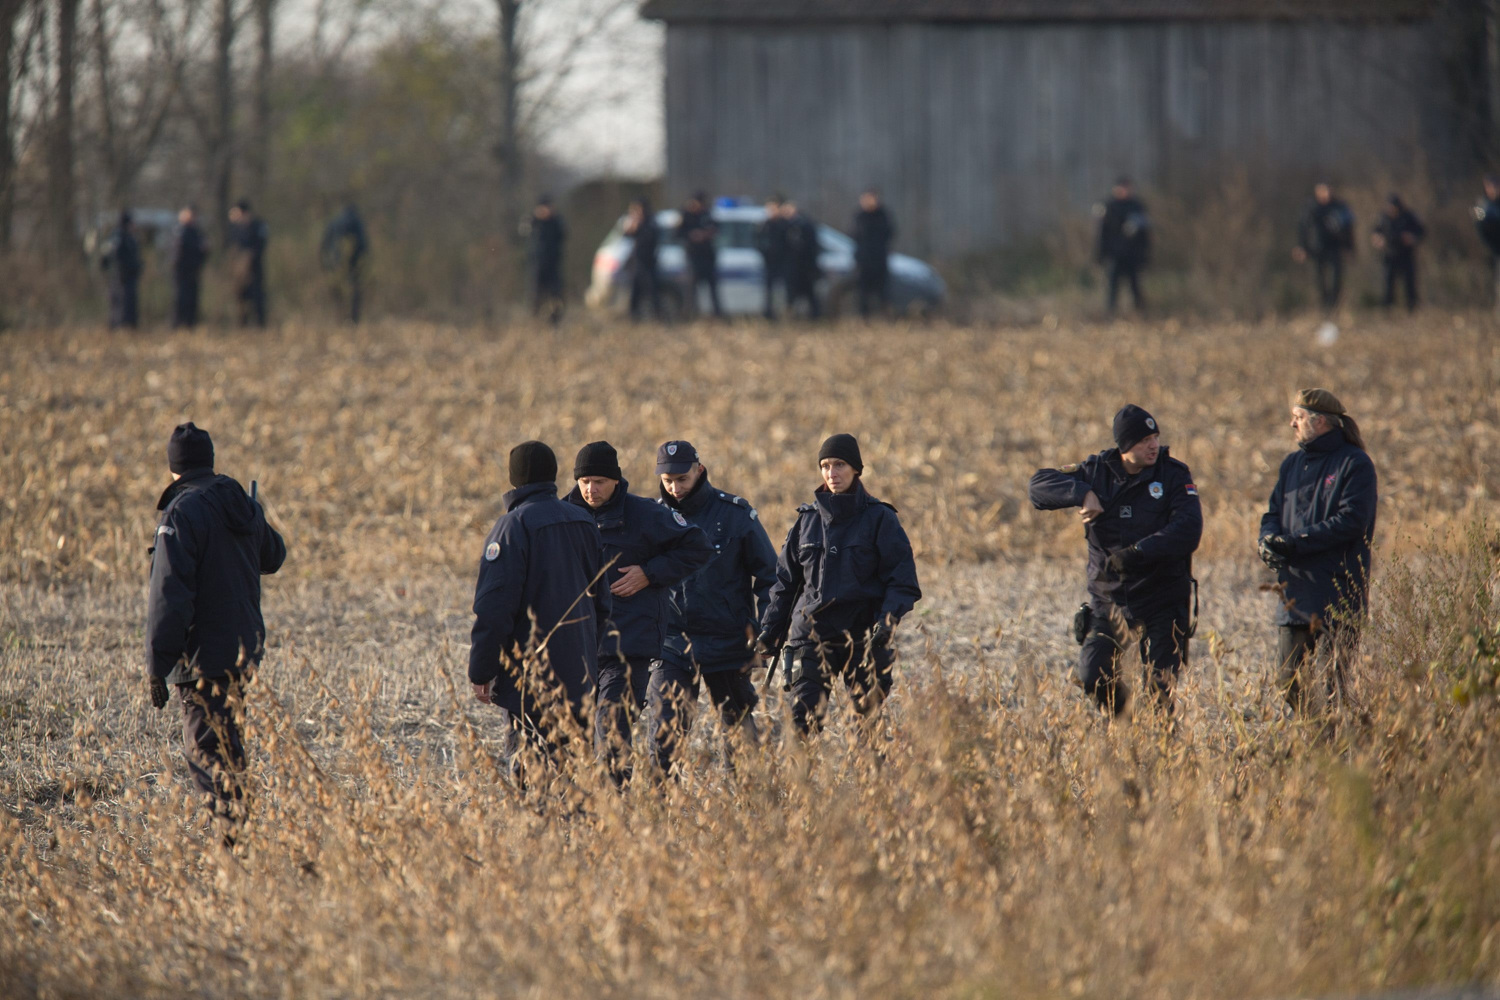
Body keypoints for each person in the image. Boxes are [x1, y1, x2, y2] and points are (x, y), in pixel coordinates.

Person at [146, 423, 286, 845]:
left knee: (210, 758)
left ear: (174, 468)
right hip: (243, 653)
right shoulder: (237, 501)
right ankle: (240, 845)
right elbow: (274, 556)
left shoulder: (181, 513)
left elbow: (169, 595)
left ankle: (233, 852)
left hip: (203, 659)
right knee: (229, 750)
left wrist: (157, 664)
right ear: (209, 460)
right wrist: (253, 518)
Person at [1028, 406, 1202, 716]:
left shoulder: (1173, 474)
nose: (1153, 445)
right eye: (1144, 440)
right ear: (1124, 446)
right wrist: (1081, 493)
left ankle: (1158, 736)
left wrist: (1138, 552)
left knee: (1160, 694)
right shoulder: (1097, 472)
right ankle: (1126, 723)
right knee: (1093, 676)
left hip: (1163, 601)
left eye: (1155, 437)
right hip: (1111, 601)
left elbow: (1188, 529)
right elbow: (1038, 486)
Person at [754, 434, 921, 737]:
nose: (832, 473)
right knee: (801, 723)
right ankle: (798, 771)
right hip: (811, 635)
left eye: (840, 464)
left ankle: (869, 770)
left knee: (867, 728)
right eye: (825, 466)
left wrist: (886, 622)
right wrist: (769, 630)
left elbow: (903, 580)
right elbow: (786, 583)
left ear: (856, 469)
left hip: (864, 636)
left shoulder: (880, 519)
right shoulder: (806, 521)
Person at [565, 441, 714, 780]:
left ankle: (616, 804)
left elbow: (698, 547)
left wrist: (649, 573)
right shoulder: (563, 516)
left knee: (611, 733)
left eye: (599, 482)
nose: (591, 489)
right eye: (584, 481)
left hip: (627, 645)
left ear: (616, 480)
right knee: (574, 740)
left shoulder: (645, 514)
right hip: (576, 647)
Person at [469, 441, 609, 778]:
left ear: (514, 478)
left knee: (531, 778)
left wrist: (481, 671)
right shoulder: (583, 521)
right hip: (580, 677)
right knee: (573, 777)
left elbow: (494, 609)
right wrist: (589, 658)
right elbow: (602, 601)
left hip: (529, 682)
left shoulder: (512, 526)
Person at [1258, 389, 1377, 714]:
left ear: (1320, 421)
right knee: (1287, 681)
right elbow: (1273, 513)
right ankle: (1317, 734)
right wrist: (1267, 540)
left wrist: (1297, 542)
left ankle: (1335, 738)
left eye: (1298, 417)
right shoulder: (1292, 464)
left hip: (1339, 593)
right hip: (1295, 594)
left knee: (1332, 686)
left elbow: (1352, 520)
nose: (1292, 424)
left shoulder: (1355, 463)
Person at [657, 440, 778, 758]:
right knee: (666, 733)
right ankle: (660, 791)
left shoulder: (735, 515)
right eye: (668, 481)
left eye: (682, 479)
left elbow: (770, 577)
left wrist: (767, 630)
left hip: (727, 641)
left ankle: (748, 790)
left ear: (699, 471)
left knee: (739, 735)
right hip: (672, 644)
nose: (675, 488)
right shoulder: (653, 518)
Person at [1293, 183, 1355, 312]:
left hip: (1336, 246)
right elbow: (1303, 228)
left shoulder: (1339, 206)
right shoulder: (1311, 207)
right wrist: (1301, 247)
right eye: (1323, 191)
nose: (1326, 194)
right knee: (1319, 279)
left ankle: (1334, 304)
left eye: (1328, 191)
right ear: (1317, 192)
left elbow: (1348, 228)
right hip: (1317, 247)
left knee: (1337, 278)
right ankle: (1324, 305)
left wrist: (1350, 247)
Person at [1095, 177, 1150, 315]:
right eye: (1121, 188)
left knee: (1135, 286)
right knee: (1112, 286)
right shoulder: (1109, 207)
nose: (1123, 191)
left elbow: (1145, 235)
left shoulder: (1137, 207)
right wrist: (1101, 254)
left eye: (1126, 188)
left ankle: (1140, 313)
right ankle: (1110, 313)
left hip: (1133, 254)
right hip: (1115, 253)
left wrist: (1144, 255)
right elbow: (1102, 234)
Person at [1370, 194, 1425, 312]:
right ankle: (1387, 309)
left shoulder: (1409, 216)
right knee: (1388, 283)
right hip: (1389, 254)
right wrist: (1378, 240)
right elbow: (1375, 232)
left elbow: (1421, 231)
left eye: (1394, 207)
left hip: (1406, 255)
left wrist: (1412, 238)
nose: (1392, 210)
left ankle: (1412, 308)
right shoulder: (1383, 218)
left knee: (1409, 284)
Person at [320, 202, 368, 325]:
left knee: (338, 292)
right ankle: (353, 320)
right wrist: (362, 262)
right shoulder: (357, 222)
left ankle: (339, 318)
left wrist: (325, 263)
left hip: (335, 263)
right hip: (353, 263)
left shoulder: (335, 221)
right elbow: (363, 244)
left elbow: (324, 244)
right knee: (354, 291)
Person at [677, 192, 723, 319]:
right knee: (691, 289)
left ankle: (717, 315)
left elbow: (716, 229)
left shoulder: (707, 215)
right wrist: (692, 235)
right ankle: (691, 314)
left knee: (713, 289)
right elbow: (677, 234)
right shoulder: (686, 216)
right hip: (693, 258)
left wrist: (705, 234)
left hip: (708, 258)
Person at [852, 189, 895, 318]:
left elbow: (889, 233)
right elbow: (854, 235)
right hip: (863, 260)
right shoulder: (859, 216)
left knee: (883, 291)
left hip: (879, 259)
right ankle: (864, 318)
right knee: (863, 292)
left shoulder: (883, 215)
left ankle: (885, 317)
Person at [525, 195, 567, 325]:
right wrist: (536, 218)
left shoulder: (556, 222)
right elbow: (524, 231)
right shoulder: (533, 222)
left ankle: (555, 320)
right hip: (537, 264)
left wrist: (552, 218)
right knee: (536, 294)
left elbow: (563, 234)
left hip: (554, 264)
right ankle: (535, 319)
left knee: (555, 294)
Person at [227, 200, 269, 327]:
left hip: (254, 268)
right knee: (241, 298)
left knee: (257, 297)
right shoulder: (235, 229)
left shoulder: (258, 226)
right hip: (239, 271)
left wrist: (250, 257)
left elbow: (261, 246)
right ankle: (242, 325)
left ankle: (260, 325)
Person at [624, 198, 664, 322]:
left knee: (652, 291)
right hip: (638, 262)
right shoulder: (637, 223)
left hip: (649, 262)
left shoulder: (651, 222)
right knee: (635, 291)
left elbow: (651, 238)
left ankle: (658, 316)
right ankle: (633, 317)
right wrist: (633, 224)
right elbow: (627, 235)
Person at [782, 200, 823, 320]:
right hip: (792, 267)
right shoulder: (784, 225)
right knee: (792, 295)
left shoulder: (805, 225)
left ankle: (815, 316)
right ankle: (793, 317)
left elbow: (812, 247)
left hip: (805, 267)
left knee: (809, 294)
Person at [170, 205, 209, 329]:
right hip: (181, 271)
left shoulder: (197, 232)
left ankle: (190, 324)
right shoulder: (179, 231)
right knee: (180, 298)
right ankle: (177, 324)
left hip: (194, 270)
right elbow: (178, 253)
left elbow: (204, 250)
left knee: (192, 299)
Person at [103, 210, 142, 330]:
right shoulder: (119, 237)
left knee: (124, 303)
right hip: (121, 277)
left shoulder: (124, 237)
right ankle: (120, 327)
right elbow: (113, 258)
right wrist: (122, 271)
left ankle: (126, 326)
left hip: (125, 277)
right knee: (121, 303)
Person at [755, 194, 789, 320]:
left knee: (783, 290)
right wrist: (765, 252)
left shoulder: (784, 224)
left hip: (783, 262)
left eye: (773, 208)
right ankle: (768, 313)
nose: (771, 211)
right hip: (769, 262)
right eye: (769, 208)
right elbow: (758, 242)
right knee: (769, 289)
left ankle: (785, 313)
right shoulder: (764, 225)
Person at [1473, 175, 1500, 313]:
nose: (1494, 189)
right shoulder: (1481, 205)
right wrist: (1491, 247)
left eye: (1496, 186)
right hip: (1491, 249)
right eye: (1491, 186)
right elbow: (1479, 227)